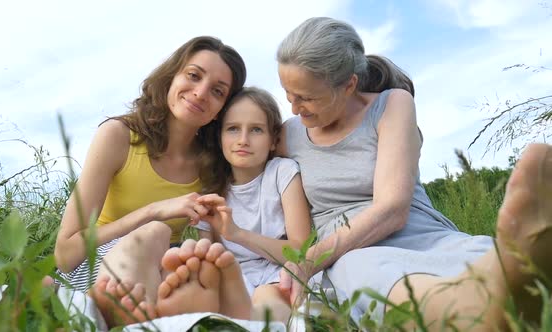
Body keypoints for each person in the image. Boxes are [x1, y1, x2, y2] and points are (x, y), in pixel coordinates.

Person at [274, 17, 552, 330]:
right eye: (288, 94)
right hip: (348, 252)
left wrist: (308, 261)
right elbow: (236, 162)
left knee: (472, 251)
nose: (295, 108)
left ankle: (513, 276)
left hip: (422, 233)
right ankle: (473, 310)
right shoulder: (290, 135)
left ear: (349, 85)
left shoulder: (391, 104)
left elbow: (393, 208)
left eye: (308, 97)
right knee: (367, 269)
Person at [53, 35, 246, 317]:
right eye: (193, 76)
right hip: (93, 265)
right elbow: (65, 253)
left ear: (221, 110)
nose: (201, 93)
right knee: (157, 231)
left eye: (217, 91)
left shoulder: (214, 163)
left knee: (200, 260)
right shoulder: (118, 136)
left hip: (160, 269)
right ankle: (108, 306)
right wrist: (154, 212)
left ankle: (139, 314)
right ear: (171, 76)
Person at [193, 86, 312, 322]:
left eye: (256, 130)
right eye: (233, 129)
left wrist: (237, 234)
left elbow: (301, 251)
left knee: (266, 304)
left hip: (278, 273)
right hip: (233, 279)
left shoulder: (282, 172)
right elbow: (207, 261)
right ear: (220, 137)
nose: (243, 140)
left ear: (272, 140)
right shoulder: (211, 193)